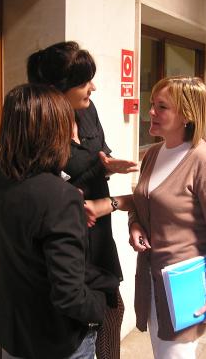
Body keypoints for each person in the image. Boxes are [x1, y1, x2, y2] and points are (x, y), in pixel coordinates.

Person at [0, 83, 119, 359]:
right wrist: (98, 310)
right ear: (52, 131)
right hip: (56, 339)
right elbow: (69, 294)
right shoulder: (58, 196)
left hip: (13, 330)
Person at [26, 41, 137, 359]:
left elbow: (99, 152)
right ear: (57, 89)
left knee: (112, 312)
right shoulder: (39, 128)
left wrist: (108, 164)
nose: (93, 87)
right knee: (81, 319)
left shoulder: (88, 113)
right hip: (67, 237)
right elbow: (41, 186)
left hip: (98, 235)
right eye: (84, 81)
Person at [128, 76, 206, 359]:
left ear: (187, 115)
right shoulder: (152, 154)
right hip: (152, 281)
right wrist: (134, 223)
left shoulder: (205, 162)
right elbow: (143, 203)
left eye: (161, 107)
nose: (150, 112)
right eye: (152, 104)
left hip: (184, 288)